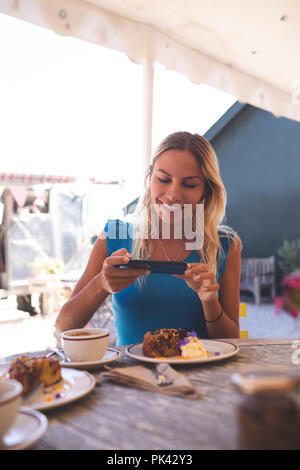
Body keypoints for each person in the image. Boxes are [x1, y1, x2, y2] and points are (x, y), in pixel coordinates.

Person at [55, 132, 242, 344]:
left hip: (200, 375)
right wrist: (101, 284)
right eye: (164, 179)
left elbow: (233, 341)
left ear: (206, 191)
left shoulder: (225, 244)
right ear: (149, 178)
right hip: (129, 375)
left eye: (189, 184)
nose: (173, 195)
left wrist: (209, 301)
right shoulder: (114, 236)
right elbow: (64, 326)